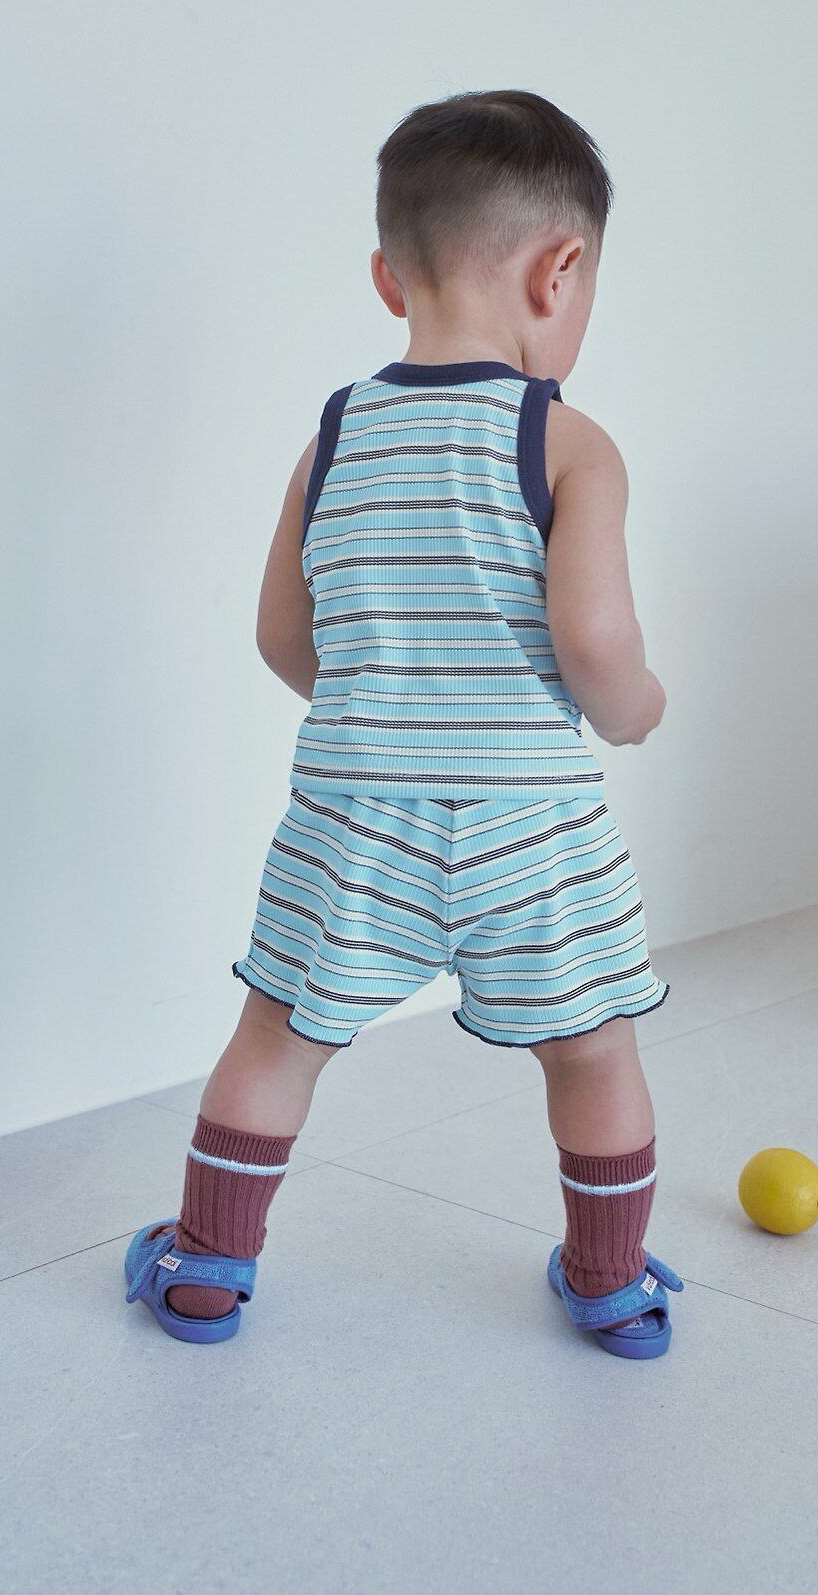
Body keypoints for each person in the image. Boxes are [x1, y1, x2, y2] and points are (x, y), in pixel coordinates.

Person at [124, 89, 683, 1359]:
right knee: (593, 1050)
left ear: (389, 275)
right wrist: (637, 709)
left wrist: (380, 713)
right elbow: (596, 645)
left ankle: (208, 1263)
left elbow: (282, 634)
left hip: (352, 814)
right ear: (560, 271)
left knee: (278, 1034)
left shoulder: (334, 435)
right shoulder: (568, 443)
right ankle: (610, 1282)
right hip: (533, 825)